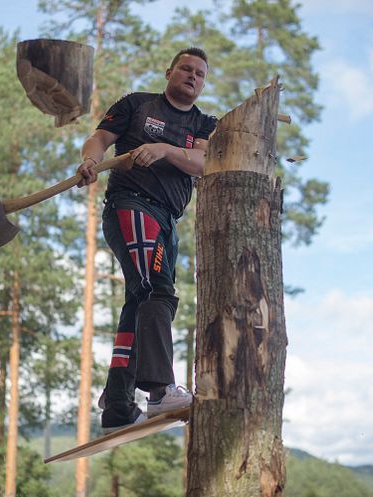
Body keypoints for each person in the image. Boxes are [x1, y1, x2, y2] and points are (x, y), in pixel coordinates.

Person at [76, 47, 217, 433]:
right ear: (169, 71)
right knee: (156, 292)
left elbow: (203, 163)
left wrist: (166, 149)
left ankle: (118, 403)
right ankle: (158, 391)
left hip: (167, 220)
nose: (192, 76)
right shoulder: (137, 105)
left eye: (200, 74)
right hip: (132, 205)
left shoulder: (204, 124)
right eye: (185, 69)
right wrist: (89, 160)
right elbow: (99, 139)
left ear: (203, 83)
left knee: (141, 298)